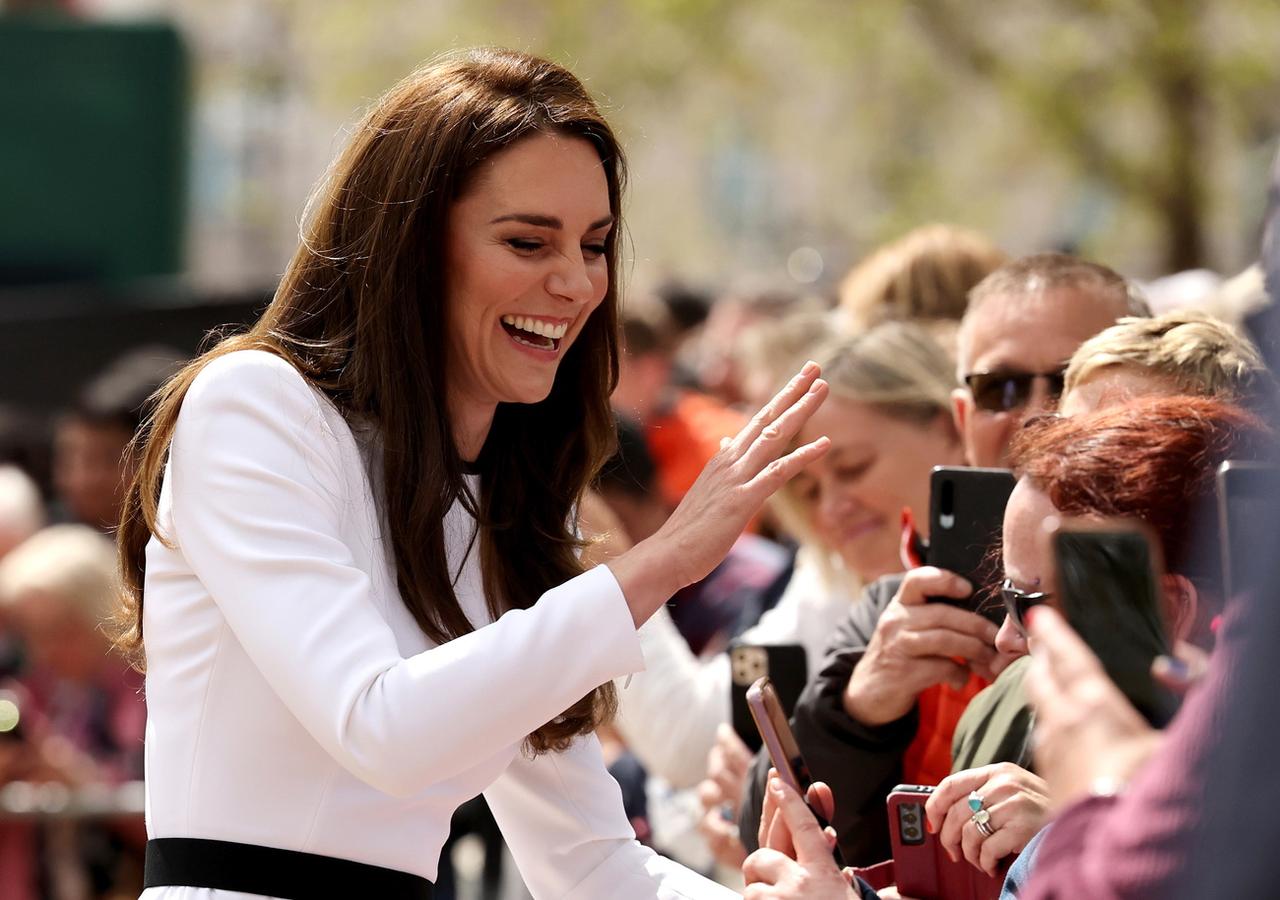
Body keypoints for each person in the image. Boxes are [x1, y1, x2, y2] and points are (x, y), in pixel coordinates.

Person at [114, 48, 831, 900]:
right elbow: (382, 727)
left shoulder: (517, 506)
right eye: (528, 241)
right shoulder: (257, 406)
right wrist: (662, 561)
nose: (574, 282)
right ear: (412, 246)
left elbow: (589, 863)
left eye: (595, 245)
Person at [742, 395, 1264, 900]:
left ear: (1170, 609)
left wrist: (1083, 828)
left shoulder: (1243, 808)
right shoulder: (1013, 713)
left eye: (1029, 603)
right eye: (1003, 597)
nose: (1005, 637)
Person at [739, 252, 1145, 865]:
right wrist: (857, 711)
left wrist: (1071, 825)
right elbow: (768, 836)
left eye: (1068, 378)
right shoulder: (901, 602)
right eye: (999, 388)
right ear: (962, 417)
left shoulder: (1193, 593)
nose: (1036, 412)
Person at [614, 322, 965, 796]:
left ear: (950, 425)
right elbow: (696, 741)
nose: (832, 508)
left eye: (853, 467)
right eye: (810, 490)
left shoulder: (1028, 572)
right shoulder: (829, 584)